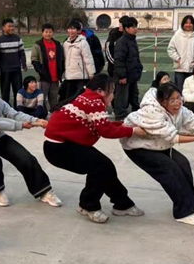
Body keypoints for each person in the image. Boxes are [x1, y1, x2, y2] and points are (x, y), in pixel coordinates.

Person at [44, 74, 147, 224]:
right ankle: (88, 205)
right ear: (100, 91)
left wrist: (124, 125)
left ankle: (122, 203)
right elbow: (106, 131)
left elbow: (102, 125)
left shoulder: (88, 97)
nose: (113, 96)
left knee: (104, 167)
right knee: (101, 166)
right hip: (59, 148)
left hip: (60, 145)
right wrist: (132, 131)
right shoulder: (94, 101)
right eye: (111, 91)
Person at [122, 83, 194, 226]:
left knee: (183, 164)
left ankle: (191, 206)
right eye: (172, 100)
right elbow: (173, 138)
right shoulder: (152, 112)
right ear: (163, 102)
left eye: (179, 98)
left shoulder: (180, 109)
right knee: (170, 169)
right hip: (138, 146)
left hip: (159, 144)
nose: (177, 103)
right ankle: (184, 213)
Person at [0, 78, 62, 207]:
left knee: (25, 158)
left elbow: (15, 114)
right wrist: (21, 125)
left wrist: (36, 120)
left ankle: (44, 191)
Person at [113, 16, 143, 121]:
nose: (135, 29)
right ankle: (120, 118)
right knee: (122, 98)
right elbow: (119, 60)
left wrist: (139, 68)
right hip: (124, 76)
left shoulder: (132, 40)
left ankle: (136, 116)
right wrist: (122, 75)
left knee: (134, 97)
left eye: (136, 26)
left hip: (132, 75)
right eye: (133, 27)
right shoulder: (122, 42)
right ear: (126, 28)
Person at [167, 14, 194, 90]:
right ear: (183, 24)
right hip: (179, 68)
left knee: (192, 90)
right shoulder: (177, 35)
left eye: (190, 23)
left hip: (193, 68)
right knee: (179, 90)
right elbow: (171, 49)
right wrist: (177, 58)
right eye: (186, 23)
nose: (188, 25)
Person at [31, 23, 65, 112]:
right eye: (46, 32)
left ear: (53, 32)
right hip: (44, 77)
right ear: (42, 33)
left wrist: (61, 70)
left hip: (55, 77)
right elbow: (34, 59)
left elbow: (62, 58)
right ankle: (42, 113)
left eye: (50, 32)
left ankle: (54, 113)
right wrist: (41, 71)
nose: (48, 34)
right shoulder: (38, 45)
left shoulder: (57, 44)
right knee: (42, 98)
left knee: (54, 98)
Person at [60, 20, 96, 101]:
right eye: (69, 29)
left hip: (81, 77)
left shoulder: (83, 43)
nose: (71, 31)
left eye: (73, 29)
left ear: (78, 31)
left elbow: (88, 58)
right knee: (69, 99)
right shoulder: (65, 44)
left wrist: (91, 73)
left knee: (80, 99)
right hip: (69, 76)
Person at [0, 18, 27, 106]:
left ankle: (18, 108)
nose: (11, 28)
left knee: (18, 90)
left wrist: (24, 64)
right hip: (5, 70)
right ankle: (6, 109)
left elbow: (22, 53)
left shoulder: (17, 38)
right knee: (5, 91)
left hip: (16, 70)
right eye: (9, 26)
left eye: (13, 26)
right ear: (3, 28)